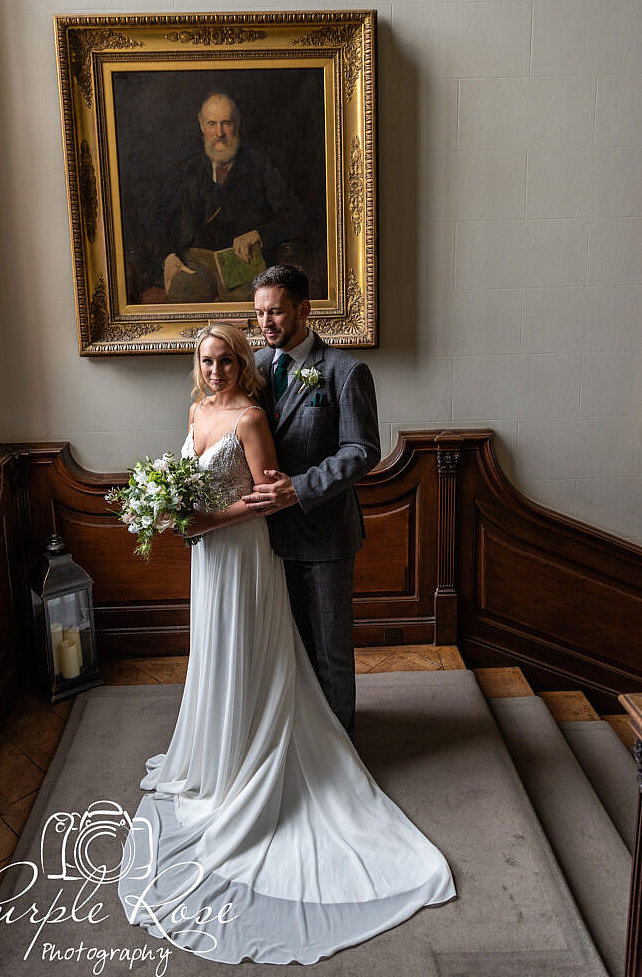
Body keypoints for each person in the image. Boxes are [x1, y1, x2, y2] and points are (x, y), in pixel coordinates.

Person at [117, 323, 457, 964]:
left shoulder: (251, 416)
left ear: (241, 363)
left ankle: (302, 749)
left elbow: (269, 499)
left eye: (224, 360)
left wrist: (201, 521)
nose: (215, 370)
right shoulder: (196, 410)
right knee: (215, 651)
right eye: (206, 360)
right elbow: (184, 476)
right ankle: (219, 749)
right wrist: (167, 508)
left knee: (274, 648)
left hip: (241, 551)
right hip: (207, 558)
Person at [242, 264, 378, 741]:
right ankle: (298, 743)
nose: (265, 323)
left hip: (324, 536)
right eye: (259, 313)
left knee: (329, 650)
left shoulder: (344, 371)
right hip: (261, 541)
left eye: (275, 311)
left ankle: (341, 750)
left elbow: (361, 452)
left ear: (303, 309)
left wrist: (297, 488)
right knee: (283, 648)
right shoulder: (253, 369)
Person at [161, 92, 308, 303]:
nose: (219, 133)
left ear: (237, 125)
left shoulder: (259, 164)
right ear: (202, 126)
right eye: (212, 124)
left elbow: (297, 216)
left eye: (226, 123)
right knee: (182, 304)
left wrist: (259, 234)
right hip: (193, 264)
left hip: (243, 263)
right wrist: (167, 256)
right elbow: (157, 222)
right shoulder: (186, 169)